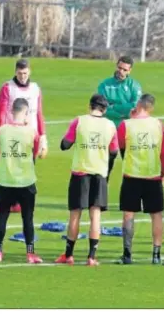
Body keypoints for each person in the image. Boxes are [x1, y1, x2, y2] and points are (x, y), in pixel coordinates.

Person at [55, 94, 119, 266]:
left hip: (80, 173)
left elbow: (65, 145)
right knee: (95, 216)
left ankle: (69, 255)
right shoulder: (110, 125)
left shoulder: (79, 121)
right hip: (99, 173)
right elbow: (114, 151)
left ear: (89, 106)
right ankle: (91, 257)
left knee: (75, 214)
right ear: (104, 109)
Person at [0, 98, 48, 264]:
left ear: (11, 112)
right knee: (27, 218)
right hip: (26, 181)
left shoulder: (1, 130)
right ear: (25, 113)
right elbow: (36, 154)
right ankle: (30, 253)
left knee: (2, 216)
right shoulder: (32, 132)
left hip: (5, 180)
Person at [115, 94, 164, 265]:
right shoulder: (159, 125)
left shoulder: (126, 125)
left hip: (132, 175)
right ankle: (156, 254)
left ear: (137, 105)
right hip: (153, 175)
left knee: (129, 214)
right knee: (157, 215)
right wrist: (163, 174)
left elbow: (120, 148)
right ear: (151, 108)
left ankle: (127, 254)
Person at [0, 58, 47, 215]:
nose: (22, 76)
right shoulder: (7, 88)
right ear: (15, 72)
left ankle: (20, 202)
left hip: (30, 134)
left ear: (29, 71)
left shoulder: (35, 89)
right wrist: (2, 131)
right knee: (10, 166)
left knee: (27, 166)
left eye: (25, 73)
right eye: (19, 73)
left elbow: (39, 112)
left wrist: (43, 135)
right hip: (12, 133)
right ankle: (8, 202)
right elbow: (2, 112)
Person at [97, 55, 143, 181]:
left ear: (130, 71)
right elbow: (102, 106)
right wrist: (123, 111)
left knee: (129, 163)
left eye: (125, 70)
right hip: (108, 130)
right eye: (120, 68)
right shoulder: (105, 85)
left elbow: (134, 107)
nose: (121, 71)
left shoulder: (134, 86)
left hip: (127, 131)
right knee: (105, 164)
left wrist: (113, 107)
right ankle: (100, 195)